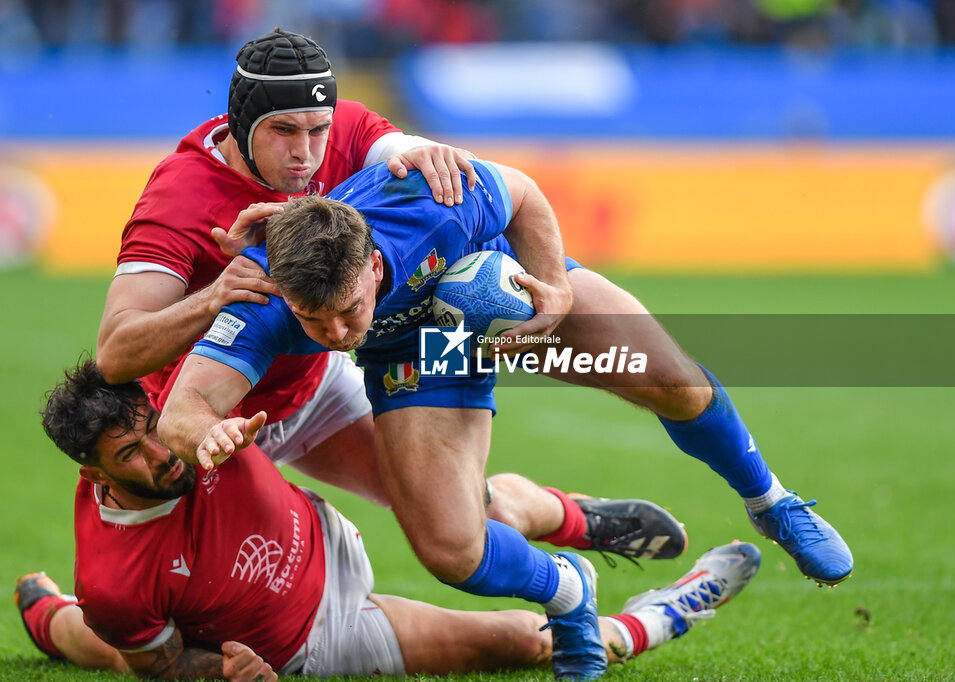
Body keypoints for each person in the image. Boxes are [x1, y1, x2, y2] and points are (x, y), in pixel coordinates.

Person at [158, 159, 853, 679]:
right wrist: (207, 432)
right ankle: (569, 587)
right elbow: (182, 409)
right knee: (450, 551)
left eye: (349, 310)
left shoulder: (424, 201)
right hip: (422, 351)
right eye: (317, 321)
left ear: (373, 265)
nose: (338, 333)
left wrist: (551, 288)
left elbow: (520, 191)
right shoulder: (265, 296)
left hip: (505, 288)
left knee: (673, 381)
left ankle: (771, 501)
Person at [91, 27, 688, 561]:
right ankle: (49, 612)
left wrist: (427, 152)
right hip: (205, 412)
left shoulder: (339, 127)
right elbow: (115, 354)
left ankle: (573, 519)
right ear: (244, 126)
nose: (305, 153)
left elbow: (410, 162)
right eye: (283, 132)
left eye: (316, 131)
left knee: (456, 522)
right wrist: (212, 296)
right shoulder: (180, 200)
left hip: (315, 381)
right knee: (150, 596)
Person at [16, 359, 761, 681]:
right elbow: (167, 665)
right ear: (93, 474)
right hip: (314, 638)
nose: (162, 451)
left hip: (321, 530)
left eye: (153, 426)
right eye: (131, 454)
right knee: (527, 647)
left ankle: (569, 517)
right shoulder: (117, 575)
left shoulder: (188, 400)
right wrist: (226, 670)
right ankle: (665, 613)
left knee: (463, 510)